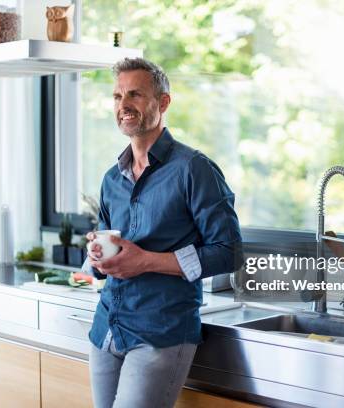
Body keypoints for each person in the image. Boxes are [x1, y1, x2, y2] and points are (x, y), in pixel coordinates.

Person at [83, 57, 242, 408]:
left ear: (163, 102)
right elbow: (107, 255)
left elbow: (229, 251)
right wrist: (96, 258)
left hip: (160, 334)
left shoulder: (193, 169)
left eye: (135, 95)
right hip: (106, 329)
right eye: (117, 96)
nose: (123, 105)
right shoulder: (112, 178)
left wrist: (146, 262)